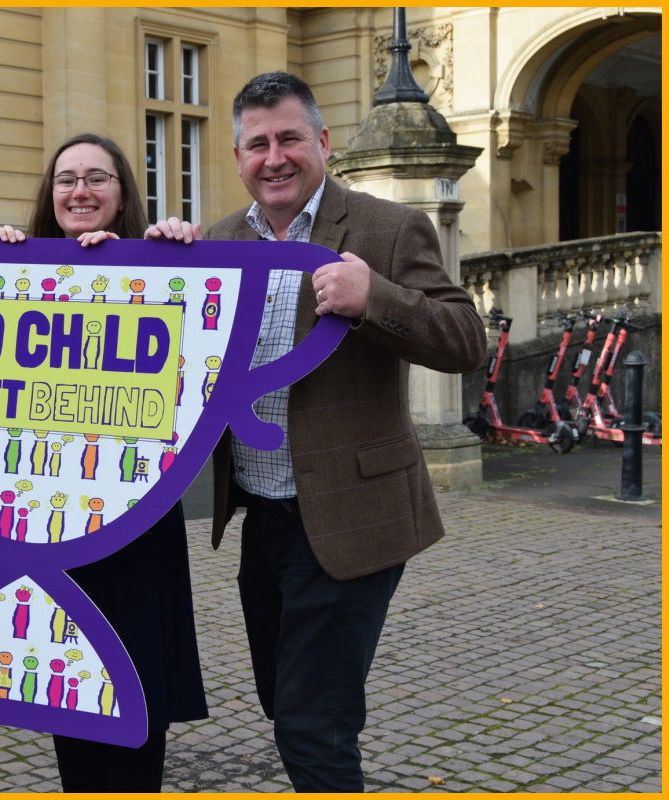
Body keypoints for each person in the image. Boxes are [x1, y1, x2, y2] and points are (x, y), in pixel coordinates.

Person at [147, 72, 486, 792]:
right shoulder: (215, 240)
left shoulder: (385, 229)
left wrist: (376, 299)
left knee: (312, 723)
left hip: (353, 517)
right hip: (261, 518)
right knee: (284, 700)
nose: (274, 157)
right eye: (257, 143)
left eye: (290, 139)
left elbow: (464, 341)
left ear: (323, 143)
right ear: (237, 156)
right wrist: (159, 258)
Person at [0, 133, 208, 792]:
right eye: (66, 179)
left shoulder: (159, 266)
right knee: (74, 700)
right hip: (55, 527)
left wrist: (172, 249)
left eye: (98, 178)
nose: (80, 191)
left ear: (123, 192)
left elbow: (202, 360)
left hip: (137, 522)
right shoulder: (20, 275)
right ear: (51, 194)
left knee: (137, 707)